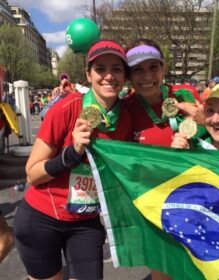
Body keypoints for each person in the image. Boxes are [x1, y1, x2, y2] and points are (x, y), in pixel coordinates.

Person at [14, 39, 132, 280]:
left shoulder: (127, 118)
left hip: (85, 220)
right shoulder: (66, 108)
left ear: (125, 76)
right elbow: (32, 174)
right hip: (41, 217)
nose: (109, 76)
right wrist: (70, 154)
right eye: (100, 69)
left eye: (116, 69)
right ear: (88, 75)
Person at [124, 38, 205, 280]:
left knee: (196, 269)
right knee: (163, 272)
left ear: (163, 68)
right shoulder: (126, 108)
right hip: (153, 204)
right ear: (129, 75)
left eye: (153, 67)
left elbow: (212, 132)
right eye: (138, 69)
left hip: (194, 199)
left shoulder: (184, 94)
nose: (146, 76)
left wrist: (200, 119)